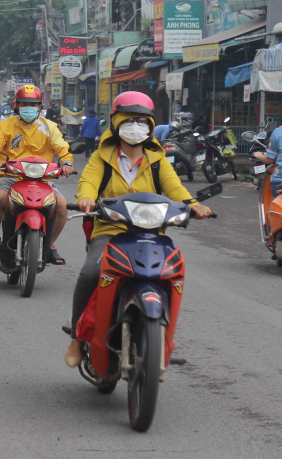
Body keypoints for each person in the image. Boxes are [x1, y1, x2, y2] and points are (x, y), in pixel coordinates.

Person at [64, 91, 212, 367]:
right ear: (116, 123)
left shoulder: (158, 161)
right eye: (129, 121)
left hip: (151, 234)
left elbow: (176, 189)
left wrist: (193, 205)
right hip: (110, 230)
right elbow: (89, 182)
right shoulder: (101, 157)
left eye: (142, 122)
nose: (135, 127)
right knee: (91, 273)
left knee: (171, 273)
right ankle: (77, 337)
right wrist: (85, 197)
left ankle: (161, 338)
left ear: (151, 126)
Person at [0, 85, 73, 264]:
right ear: (16, 105)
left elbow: (62, 147)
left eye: (33, 104)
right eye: (24, 104)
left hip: (42, 179)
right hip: (12, 177)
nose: (28, 107)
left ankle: (51, 245)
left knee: (62, 205)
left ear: (40, 106)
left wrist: (67, 162)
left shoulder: (50, 127)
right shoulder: (6, 125)